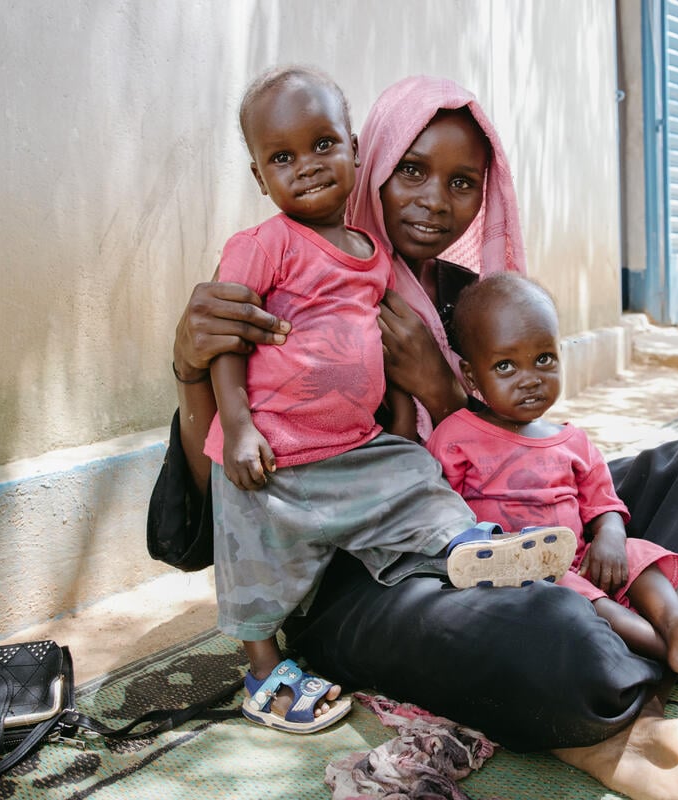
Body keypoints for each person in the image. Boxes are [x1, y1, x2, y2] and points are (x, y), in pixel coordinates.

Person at [169, 74, 678, 800]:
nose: (434, 200)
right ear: (375, 166)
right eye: (412, 170)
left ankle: (657, 637)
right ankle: (626, 676)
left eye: (463, 182)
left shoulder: (469, 298)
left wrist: (443, 392)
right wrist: (190, 370)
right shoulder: (289, 282)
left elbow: (535, 454)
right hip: (366, 578)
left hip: (501, 524)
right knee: (546, 622)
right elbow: (224, 507)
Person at [202, 66, 574, 733]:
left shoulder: (396, 266)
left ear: (350, 148)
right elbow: (228, 347)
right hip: (278, 457)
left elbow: (387, 358)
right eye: (283, 158)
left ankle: (473, 548)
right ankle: (263, 666)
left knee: (418, 476)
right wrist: (235, 424)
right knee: (252, 555)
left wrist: (420, 408)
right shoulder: (262, 248)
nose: (435, 200)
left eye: (463, 183)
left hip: (354, 450)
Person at [429, 272, 678, 677]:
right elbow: (440, 510)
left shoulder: (572, 440)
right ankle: (675, 654)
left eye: (544, 359)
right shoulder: (457, 437)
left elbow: (603, 501)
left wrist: (610, 536)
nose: (531, 378)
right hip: (520, 571)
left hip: (580, 557)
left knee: (640, 556)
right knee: (575, 594)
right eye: (505, 366)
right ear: (470, 376)